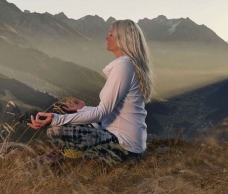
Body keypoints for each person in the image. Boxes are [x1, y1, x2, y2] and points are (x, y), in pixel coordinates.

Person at [28, 19, 154, 161]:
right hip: (131, 144)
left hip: (124, 147)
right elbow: (113, 111)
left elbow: (101, 113)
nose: (106, 38)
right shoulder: (129, 65)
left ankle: (76, 154)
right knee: (73, 122)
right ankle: (73, 151)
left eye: (111, 35)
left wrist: (56, 119)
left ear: (122, 39)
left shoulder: (124, 66)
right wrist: (83, 108)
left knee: (55, 129)